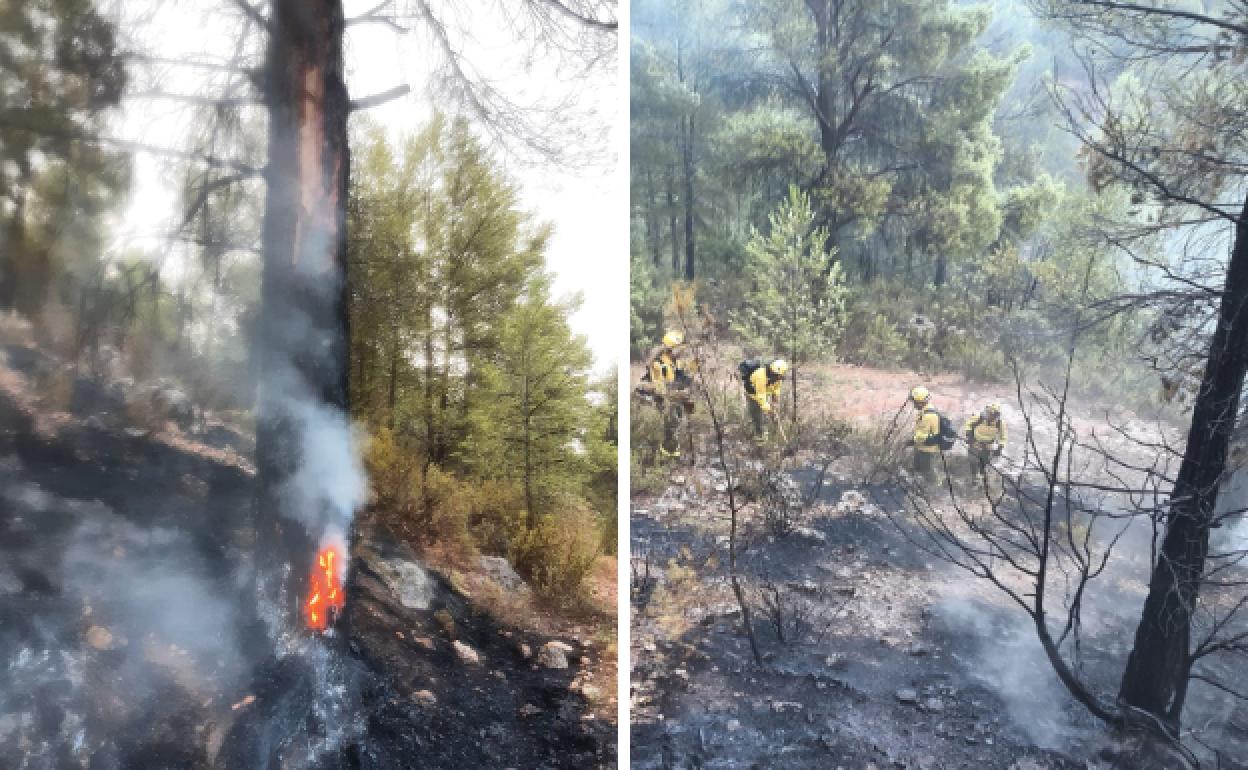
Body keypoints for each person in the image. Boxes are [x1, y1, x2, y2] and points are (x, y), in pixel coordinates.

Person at [644, 330, 692, 459]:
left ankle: (673, 450)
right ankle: (665, 453)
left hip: (677, 399)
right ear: (671, 349)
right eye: (680, 349)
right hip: (663, 400)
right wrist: (677, 393)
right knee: (671, 423)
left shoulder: (678, 363)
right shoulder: (658, 365)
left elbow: (683, 378)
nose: (682, 352)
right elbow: (659, 389)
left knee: (678, 422)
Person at [741, 358, 788, 440]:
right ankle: (759, 437)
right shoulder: (760, 376)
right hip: (753, 396)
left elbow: (776, 389)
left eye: (778, 375)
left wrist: (775, 401)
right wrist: (769, 410)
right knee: (757, 416)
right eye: (774, 373)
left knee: (765, 414)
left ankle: (767, 432)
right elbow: (761, 396)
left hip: (763, 393)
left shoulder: (778, 377)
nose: (776, 376)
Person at [963, 402, 1006, 481]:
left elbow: (1003, 437)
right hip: (975, 443)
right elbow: (968, 424)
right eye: (989, 413)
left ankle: (982, 475)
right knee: (972, 460)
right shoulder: (979, 418)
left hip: (987, 446)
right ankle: (974, 476)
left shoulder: (999, 424)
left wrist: (1000, 448)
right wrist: (969, 435)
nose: (990, 416)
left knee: (983, 462)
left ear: (996, 415)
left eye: (992, 414)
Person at [908, 385, 943, 479]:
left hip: (928, 450)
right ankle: (920, 483)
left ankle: (935, 486)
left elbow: (922, 435)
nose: (914, 404)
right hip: (922, 447)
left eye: (914, 402)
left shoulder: (928, 415)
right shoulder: (926, 410)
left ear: (920, 402)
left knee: (927, 473)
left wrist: (912, 440)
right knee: (919, 470)